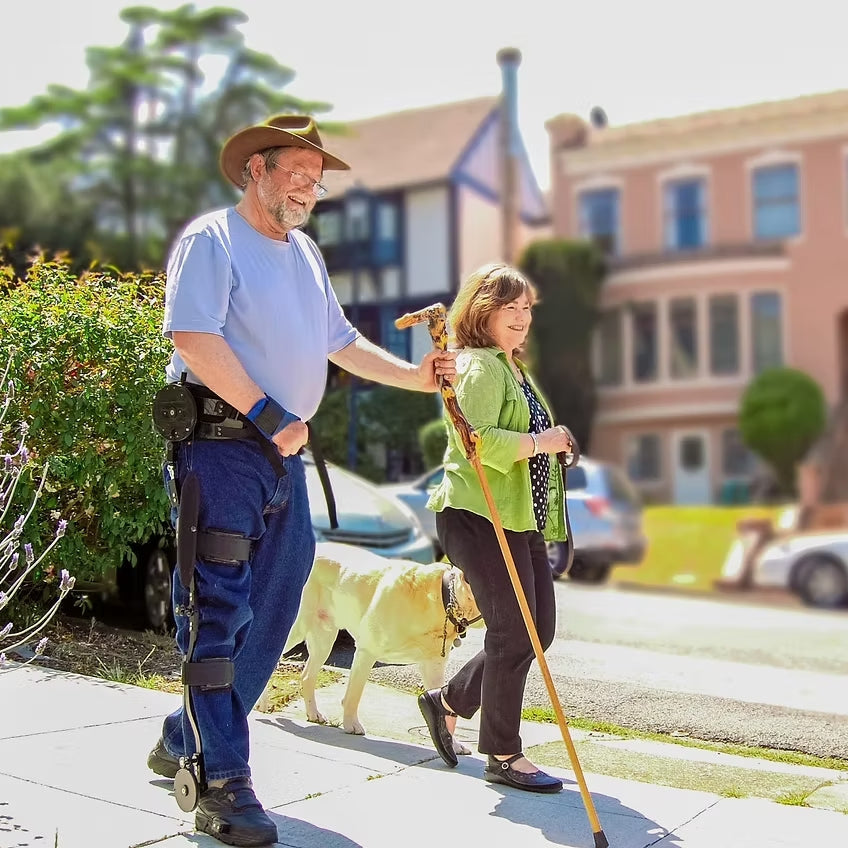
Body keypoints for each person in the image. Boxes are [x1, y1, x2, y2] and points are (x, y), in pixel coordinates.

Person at [146, 114, 456, 847]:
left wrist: (416, 378)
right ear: (255, 168)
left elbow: (339, 342)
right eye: (296, 172)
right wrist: (265, 409)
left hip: (281, 460)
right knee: (217, 615)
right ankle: (223, 785)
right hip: (221, 449)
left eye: (317, 179)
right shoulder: (213, 240)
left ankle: (179, 733)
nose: (310, 188)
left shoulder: (306, 254)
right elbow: (193, 337)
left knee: (279, 609)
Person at [418, 262, 573, 794]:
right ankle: (503, 754)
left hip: (514, 518)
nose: (522, 317)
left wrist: (554, 438)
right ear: (482, 312)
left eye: (527, 307)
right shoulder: (481, 365)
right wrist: (540, 443)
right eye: (511, 307)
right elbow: (477, 442)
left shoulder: (513, 369)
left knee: (538, 629)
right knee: (512, 632)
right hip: (477, 516)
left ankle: (450, 702)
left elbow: (524, 434)